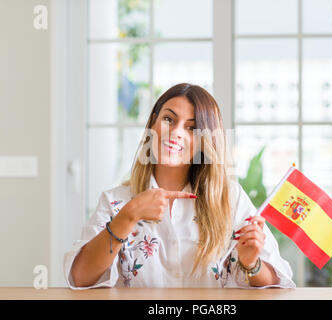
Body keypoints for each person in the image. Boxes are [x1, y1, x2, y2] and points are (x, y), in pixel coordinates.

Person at [64, 83, 295, 289]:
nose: (175, 133)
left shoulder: (229, 199)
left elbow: (277, 281)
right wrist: (128, 216)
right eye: (168, 119)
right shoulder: (116, 201)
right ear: (153, 122)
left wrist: (251, 264)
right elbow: (80, 278)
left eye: (192, 128)